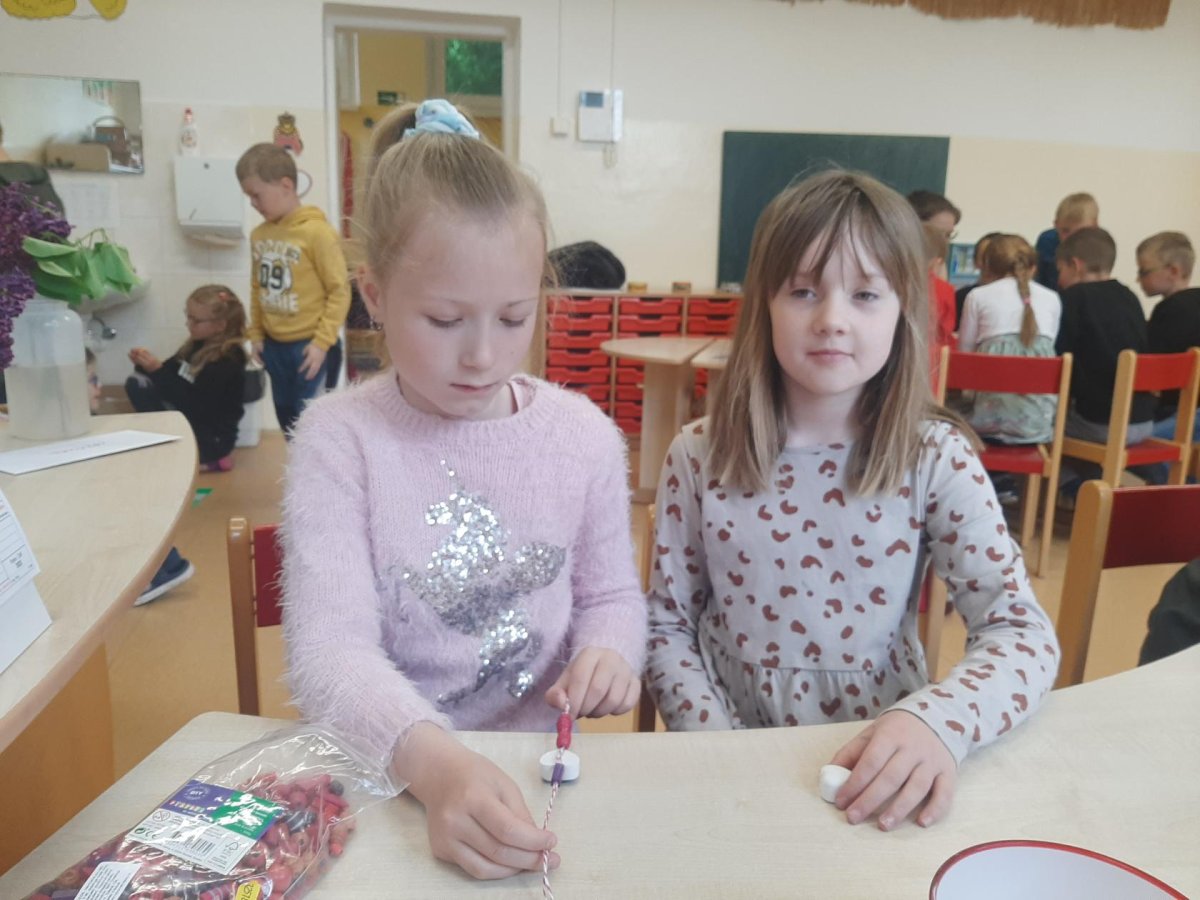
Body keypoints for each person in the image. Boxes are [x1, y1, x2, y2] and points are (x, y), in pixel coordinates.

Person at [279, 100, 647, 880]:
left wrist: (609, 649)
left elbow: (612, 594)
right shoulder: (338, 439)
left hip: (537, 780)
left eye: (514, 318)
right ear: (374, 294)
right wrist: (437, 766)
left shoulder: (583, 436)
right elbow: (327, 652)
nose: (483, 355)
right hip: (389, 774)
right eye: (445, 320)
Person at [646, 170, 1059, 833]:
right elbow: (667, 626)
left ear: (903, 311)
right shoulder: (698, 454)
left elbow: (1022, 632)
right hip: (726, 769)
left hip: (880, 778)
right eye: (802, 290)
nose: (832, 320)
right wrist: (716, 747)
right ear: (764, 305)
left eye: (865, 294)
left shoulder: (935, 456)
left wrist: (940, 722)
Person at [236, 143, 351, 434]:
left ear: (286, 185)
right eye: (249, 197)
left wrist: (321, 343)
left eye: (256, 195)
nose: (253, 204)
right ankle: (298, 464)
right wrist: (256, 334)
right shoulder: (260, 235)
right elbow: (257, 288)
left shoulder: (317, 233)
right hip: (274, 347)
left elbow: (339, 291)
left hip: (311, 347)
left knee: (313, 425)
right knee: (287, 420)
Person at [1054, 227, 1155, 490]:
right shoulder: (1129, 297)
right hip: (1144, 420)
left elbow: (1059, 361)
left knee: (1038, 429)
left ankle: (1085, 493)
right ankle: (1101, 489)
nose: (1059, 279)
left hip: (1101, 424)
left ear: (1075, 265)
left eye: (1060, 270)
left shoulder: (1072, 299)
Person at [126, 285, 248, 473]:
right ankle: (175, 447)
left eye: (196, 320)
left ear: (220, 325)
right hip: (194, 422)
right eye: (188, 316)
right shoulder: (195, 346)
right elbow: (170, 372)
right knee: (137, 382)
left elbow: (197, 405)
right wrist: (145, 365)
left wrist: (156, 371)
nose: (188, 324)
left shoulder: (228, 361)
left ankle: (209, 457)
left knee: (141, 386)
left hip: (212, 437)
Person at [958, 234, 1062, 444]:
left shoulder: (977, 296)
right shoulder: (1052, 298)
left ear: (987, 267)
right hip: (1036, 426)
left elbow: (964, 358)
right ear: (1032, 268)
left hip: (983, 423)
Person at [1138, 231, 1200, 443]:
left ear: (1173, 271)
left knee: (1128, 436)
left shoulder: (1168, 311)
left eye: (1144, 272)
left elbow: (1151, 376)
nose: (1138, 279)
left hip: (1179, 413)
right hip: (1194, 412)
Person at [1035, 192, 1099, 291]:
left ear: (1094, 227)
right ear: (1056, 224)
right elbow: (1038, 279)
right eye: (1065, 231)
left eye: (1079, 233)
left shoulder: (1100, 248)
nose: (1071, 238)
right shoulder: (1047, 241)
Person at [921, 223, 956, 387]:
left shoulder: (890, 284)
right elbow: (946, 330)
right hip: (933, 363)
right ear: (938, 262)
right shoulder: (944, 289)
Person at [953, 231, 1003, 329]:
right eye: (984, 257)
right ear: (975, 261)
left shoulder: (1021, 297)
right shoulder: (962, 297)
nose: (990, 264)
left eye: (997, 259)